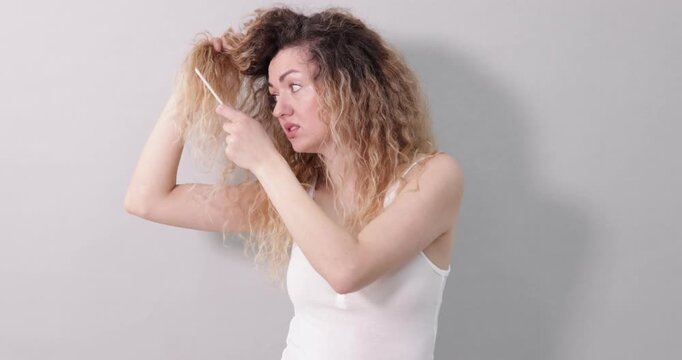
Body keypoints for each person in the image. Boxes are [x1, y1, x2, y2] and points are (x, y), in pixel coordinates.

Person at [124, 5, 463, 360]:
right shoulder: (297, 194)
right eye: (274, 94)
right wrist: (193, 85)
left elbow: (347, 270)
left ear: (350, 87)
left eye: (294, 87)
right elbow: (147, 199)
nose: (278, 109)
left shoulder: (434, 177)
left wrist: (265, 160)